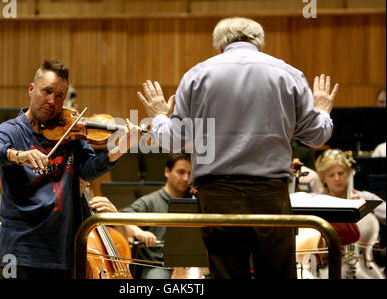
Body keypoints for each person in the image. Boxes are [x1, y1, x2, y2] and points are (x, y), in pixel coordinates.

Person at [137, 17, 339, 279]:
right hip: (269, 194)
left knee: (227, 275)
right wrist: (322, 111)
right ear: (259, 42)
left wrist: (158, 116)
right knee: (277, 275)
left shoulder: (197, 76)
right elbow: (316, 135)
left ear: (220, 45)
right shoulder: (288, 74)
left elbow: (174, 140)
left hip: (217, 194)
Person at [0, 59, 140, 279]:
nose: (53, 101)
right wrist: (18, 155)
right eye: (47, 91)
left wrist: (121, 147)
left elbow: (89, 170)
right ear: (31, 89)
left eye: (60, 96)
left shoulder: (71, 133)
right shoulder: (14, 131)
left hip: (62, 250)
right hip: (19, 249)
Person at [315, 149, 386, 278]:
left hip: (365, 265)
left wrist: (369, 208)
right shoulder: (317, 202)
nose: (337, 178)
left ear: (348, 173)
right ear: (323, 179)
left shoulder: (364, 197)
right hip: (330, 266)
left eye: (341, 173)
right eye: (331, 175)